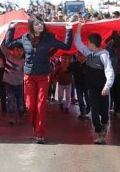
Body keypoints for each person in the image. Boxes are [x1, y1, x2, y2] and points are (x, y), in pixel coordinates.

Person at [5, 15, 73, 144]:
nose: (40, 25)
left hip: (43, 75)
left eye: (41, 23)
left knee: (41, 105)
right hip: (29, 76)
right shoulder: (25, 38)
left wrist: (69, 30)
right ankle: (34, 124)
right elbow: (9, 43)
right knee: (30, 106)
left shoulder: (48, 38)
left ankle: (40, 133)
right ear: (31, 25)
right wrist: (12, 28)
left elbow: (66, 46)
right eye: (37, 24)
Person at [74, 22, 114, 145]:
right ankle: (100, 132)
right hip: (92, 89)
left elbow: (109, 71)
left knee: (104, 112)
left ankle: (105, 125)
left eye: (89, 43)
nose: (87, 44)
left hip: (103, 90)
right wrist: (79, 29)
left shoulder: (103, 56)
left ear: (93, 44)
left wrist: (107, 86)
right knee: (94, 112)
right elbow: (78, 43)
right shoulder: (89, 54)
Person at [0, 43, 25, 125]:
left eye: (21, 50)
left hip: (19, 85)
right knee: (11, 100)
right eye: (17, 50)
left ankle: (21, 115)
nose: (19, 52)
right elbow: (2, 47)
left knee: (20, 101)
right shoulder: (9, 56)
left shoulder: (24, 61)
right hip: (9, 84)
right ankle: (12, 116)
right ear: (13, 51)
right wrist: (0, 37)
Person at [70, 52, 90, 119]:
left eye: (81, 55)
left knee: (88, 99)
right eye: (78, 55)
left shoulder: (88, 64)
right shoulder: (75, 64)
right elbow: (68, 69)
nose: (80, 57)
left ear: (85, 56)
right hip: (78, 85)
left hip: (87, 86)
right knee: (80, 100)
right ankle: (83, 113)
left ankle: (88, 108)